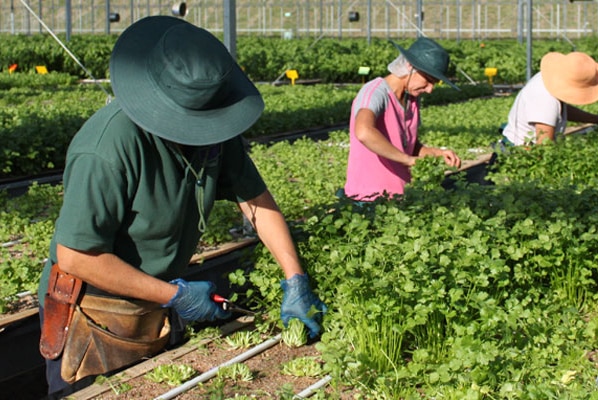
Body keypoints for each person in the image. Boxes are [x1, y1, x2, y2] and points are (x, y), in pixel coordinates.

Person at [37, 16, 326, 398]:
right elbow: (77, 257)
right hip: (94, 313)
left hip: (155, 301)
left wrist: (295, 280)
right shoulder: (106, 149)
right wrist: (175, 296)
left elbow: (255, 199)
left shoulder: (213, 136)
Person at [342, 37, 462, 201]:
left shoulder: (411, 99)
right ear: (410, 66)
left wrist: (437, 154)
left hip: (400, 197)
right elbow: (363, 132)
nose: (430, 89)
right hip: (369, 199)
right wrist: (407, 160)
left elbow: (407, 146)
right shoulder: (375, 92)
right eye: (428, 81)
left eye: (434, 83)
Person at [500, 51, 598, 148]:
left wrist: (596, 119)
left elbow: (561, 111)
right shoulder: (545, 100)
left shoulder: (550, 80)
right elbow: (544, 148)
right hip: (520, 153)